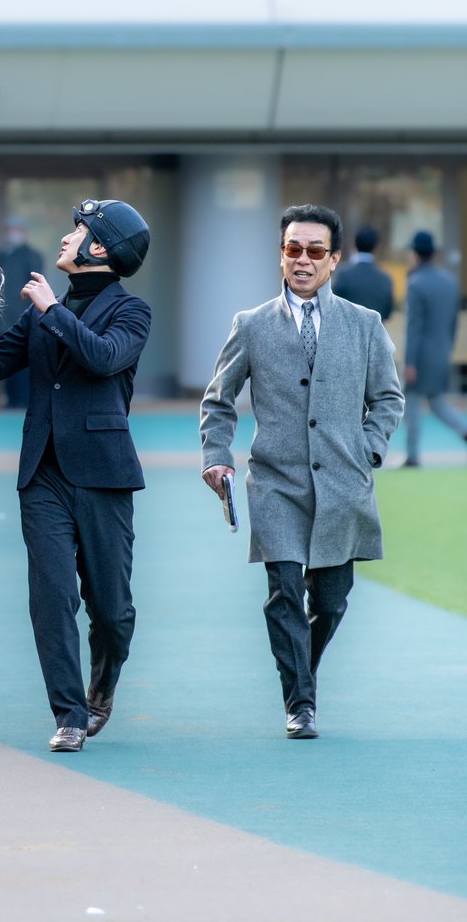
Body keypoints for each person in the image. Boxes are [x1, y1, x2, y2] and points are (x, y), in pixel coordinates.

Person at [200, 204, 404, 740]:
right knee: (284, 590)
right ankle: (300, 703)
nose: (303, 260)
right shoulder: (251, 325)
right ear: (281, 255)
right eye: (293, 249)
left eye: (315, 251)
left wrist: (368, 448)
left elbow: (387, 398)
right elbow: (218, 400)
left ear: (334, 260)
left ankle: (301, 674)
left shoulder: (365, 326)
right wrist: (216, 455)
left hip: (344, 485)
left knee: (331, 602)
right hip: (276, 483)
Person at [0, 198, 151, 752]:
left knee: (113, 610)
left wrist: (53, 311)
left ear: (99, 248)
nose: (65, 239)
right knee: (51, 598)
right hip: (43, 475)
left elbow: (103, 358)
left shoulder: (132, 312)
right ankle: (70, 714)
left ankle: (101, 687)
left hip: (103, 475)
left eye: (77, 231)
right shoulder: (38, 308)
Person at [402, 230, 467, 468]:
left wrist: (409, 362)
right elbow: (453, 323)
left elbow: (414, 327)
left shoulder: (416, 283)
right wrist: (446, 350)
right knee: (438, 403)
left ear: (416, 253)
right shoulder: (450, 282)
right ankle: (464, 429)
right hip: (441, 352)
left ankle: (412, 455)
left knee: (412, 404)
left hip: (420, 357)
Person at [0, 219, 44, 407]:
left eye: (16, 229)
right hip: (4, 320)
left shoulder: (32, 255)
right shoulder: (1, 255)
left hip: (24, 318)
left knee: (24, 360)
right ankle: (12, 399)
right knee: (7, 358)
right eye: (9, 229)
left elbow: (37, 287)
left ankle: (24, 400)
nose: (12, 233)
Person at [333, 223, 394, 320]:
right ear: (376, 247)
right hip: (375, 333)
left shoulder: (343, 276)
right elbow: (387, 314)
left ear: (354, 243)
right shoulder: (385, 279)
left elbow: (332, 309)